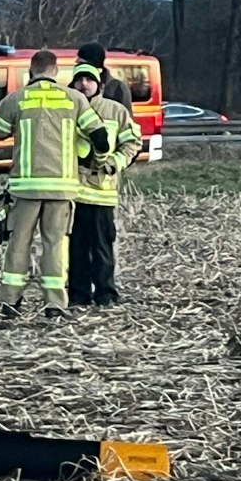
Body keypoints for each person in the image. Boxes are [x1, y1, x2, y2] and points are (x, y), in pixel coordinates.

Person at [0, 49, 101, 319]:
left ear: (31, 70)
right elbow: (100, 136)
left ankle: (10, 302)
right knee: (55, 244)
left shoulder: (16, 98)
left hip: (26, 188)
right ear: (56, 71)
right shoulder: (74, 98)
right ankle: (54, 305)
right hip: (61, 188)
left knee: (19, 242)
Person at [69, 62, 141, 306]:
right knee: (76, 247)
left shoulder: (115, 111)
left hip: (102, 191)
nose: (84, 84)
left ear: (99, 84)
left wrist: (115, 162)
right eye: (79, 80)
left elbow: (132, 143)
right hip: (72, 193)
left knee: (102, 246)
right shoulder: (66, 110)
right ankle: (78, 294)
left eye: (89, 80)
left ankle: (106, 293)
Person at [77, 42, 132, 110]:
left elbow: (125, 114)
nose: (78, 64)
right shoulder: (75, 85)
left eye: (82, 62)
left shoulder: (117, 88)